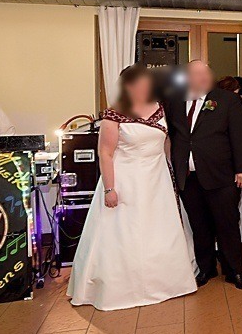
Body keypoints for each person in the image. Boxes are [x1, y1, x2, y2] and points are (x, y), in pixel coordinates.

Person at [68, 65, 197, 310]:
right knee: (124, 232)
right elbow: (105, 153)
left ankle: (167, 283)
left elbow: (166, 141)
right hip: (125, 178)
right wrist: (109, 189)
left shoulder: (160, 108)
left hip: (157, 179)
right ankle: (122, 288)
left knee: (160, 230)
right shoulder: (114, 113)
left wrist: (175, 170)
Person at [166, 61, 242, 291]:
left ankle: (234, 271)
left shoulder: (228, 100)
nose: (203, 77)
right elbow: (172, 135)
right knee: (199, 226)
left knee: (227, 225)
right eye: (197, 73)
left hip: (222, 176)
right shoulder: (174, 101)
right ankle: (205, 268)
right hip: (189, 176)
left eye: (206, 72)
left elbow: (239, 136)